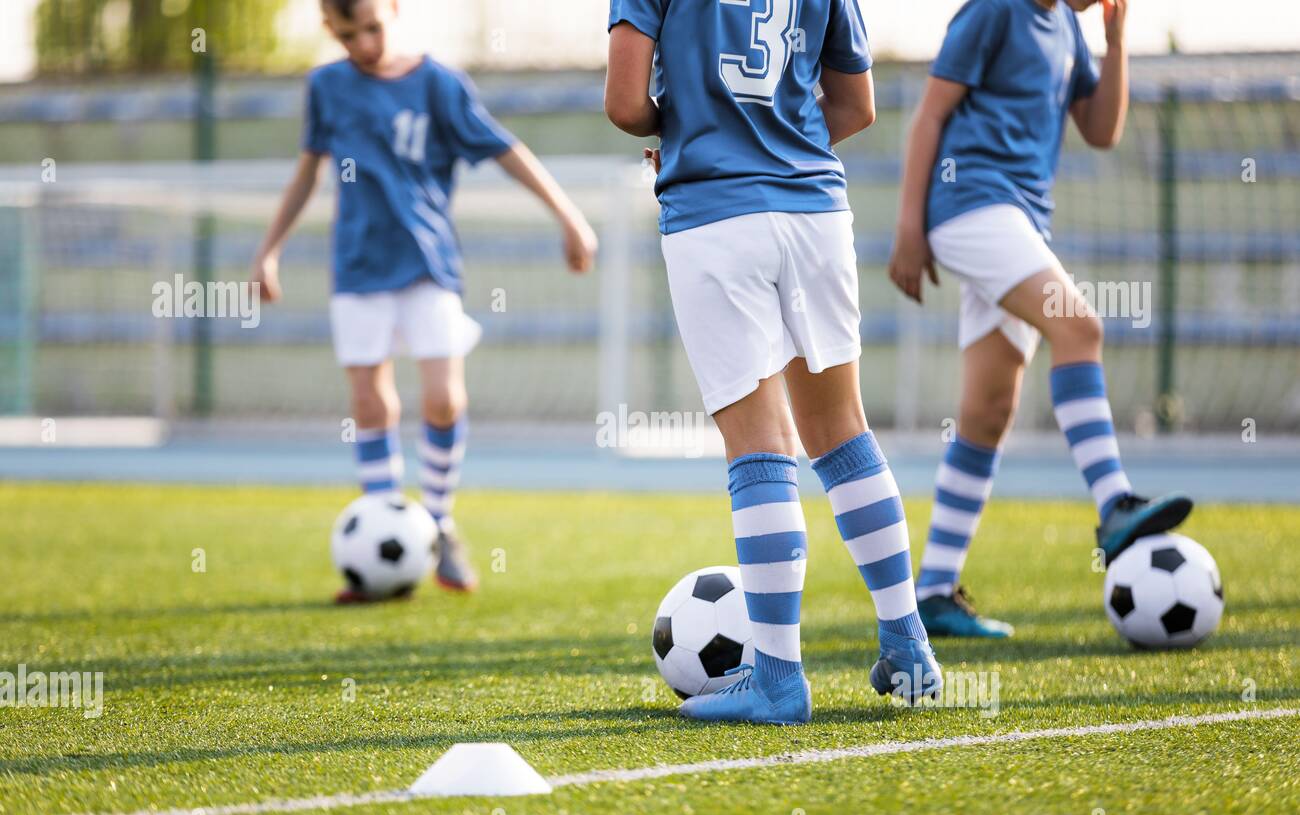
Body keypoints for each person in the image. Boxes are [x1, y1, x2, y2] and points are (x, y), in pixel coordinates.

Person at [606, 0, 941, 724]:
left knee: (759, 447)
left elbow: (624, 101)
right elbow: (856, 104)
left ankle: (780, 681)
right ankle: (907, 643)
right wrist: (780, 136)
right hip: (815, 209)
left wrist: (692, 129)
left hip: (714, 212)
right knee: (843, 433)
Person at [253, 0, 598, 599]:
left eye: (372, 27)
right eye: (347, 34)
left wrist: (569, 217)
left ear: (394, 9)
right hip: (359, 267)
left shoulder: (438, 84)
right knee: (371, 404)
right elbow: (309, 171)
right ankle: (382, 535)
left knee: (443, 398)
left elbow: (504, 149)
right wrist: (269, 250)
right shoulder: (327, 87)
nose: (364, 43)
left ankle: (437, 522)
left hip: (428, 265)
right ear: (330, 32)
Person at [889, 0, 1191, 638]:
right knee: (1079, 325)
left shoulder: (1071, 33)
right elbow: (930, 114)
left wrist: (1115, 37)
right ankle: (1113, 504)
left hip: (1017, 221)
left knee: (989, 408)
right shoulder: (994, 10)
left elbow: (1102, 129)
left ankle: (935, 591)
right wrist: (909, 228)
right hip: (972, 203)